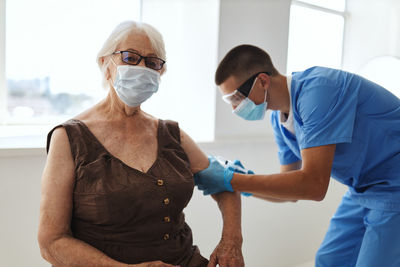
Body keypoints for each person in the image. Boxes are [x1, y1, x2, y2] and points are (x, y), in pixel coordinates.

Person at [38, 21, 245, 267]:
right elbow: (51, 242)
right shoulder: (69, 138)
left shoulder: (171, 134)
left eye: (152, 62)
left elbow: (224, 183)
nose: (141, 67)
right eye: (130, 57)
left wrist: (231, 241)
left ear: (160, 73)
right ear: (105, 63)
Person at [194, 44, 400, 267]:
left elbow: (313, 185)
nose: (235, 108)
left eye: (235, 98)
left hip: (394, 186)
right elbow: (291, 192)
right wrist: (242, 180)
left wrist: (233, 180)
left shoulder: (319, 90)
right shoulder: (279, 120)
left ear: (263, 81)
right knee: (329, 260)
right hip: (363, 188)